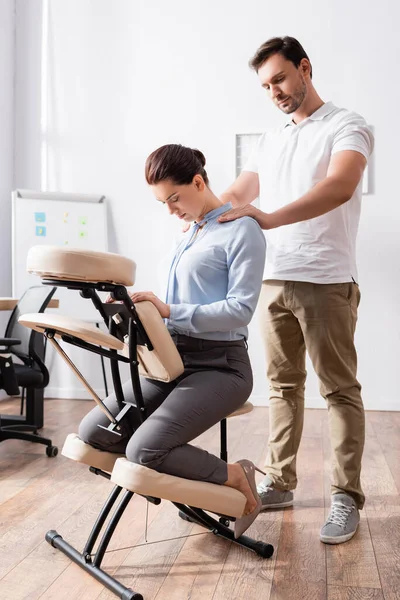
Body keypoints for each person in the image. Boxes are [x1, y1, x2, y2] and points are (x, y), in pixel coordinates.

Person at [217, 36, 374, 544]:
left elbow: (340, 186)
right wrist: (204, 212)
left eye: (281, 79)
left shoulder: (347, 125)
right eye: (266, 86)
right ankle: (280, 481)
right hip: (273, 279)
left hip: (327, 279)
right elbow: (240, 194)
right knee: (283, 387)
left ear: (305, 67)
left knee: (339, 390)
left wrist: (270, 218)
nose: (275, 92)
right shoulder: (271, 138)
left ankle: (346, 498)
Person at [79, 144, 267, 538]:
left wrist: (169, 311)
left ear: (198, 182)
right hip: (169, 361)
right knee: (96, 431)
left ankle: (234, 476)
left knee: (144, 449)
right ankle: (183, 485)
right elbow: (169, 305)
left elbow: (240, 309)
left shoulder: (241, 229)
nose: (170, 210)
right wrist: (136, 310)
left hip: (221, 366)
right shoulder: (188, 234)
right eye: (163, 202)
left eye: (174, 198)